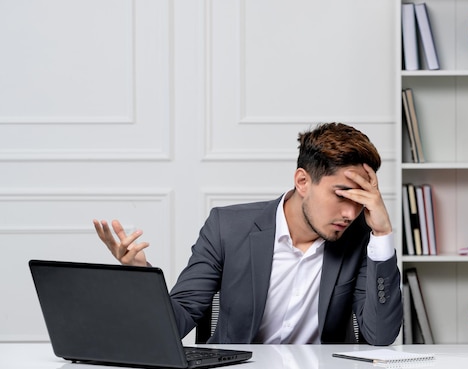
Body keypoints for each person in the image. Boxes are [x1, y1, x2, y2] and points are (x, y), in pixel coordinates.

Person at [93, 122, 402, 345]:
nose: (351, 213)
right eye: (342, 195)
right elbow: (177, 320)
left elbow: (380, 335)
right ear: (303, 181)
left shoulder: (363, 239)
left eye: (360, 201)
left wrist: (383, 234)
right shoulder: (227, 227)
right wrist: (140, 277)